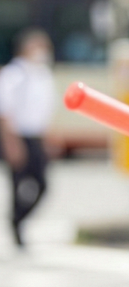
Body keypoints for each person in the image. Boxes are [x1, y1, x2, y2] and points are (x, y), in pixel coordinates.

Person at [0, 28, 56, 248]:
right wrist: (12, 144)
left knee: (42, 184)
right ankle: (16, 227)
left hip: (36, 136)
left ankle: (18, 219)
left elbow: (45, 111)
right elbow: (5, 113)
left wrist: (48, 138)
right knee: (17, 184)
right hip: (17, 136)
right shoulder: (13, 75)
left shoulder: (43, 74)